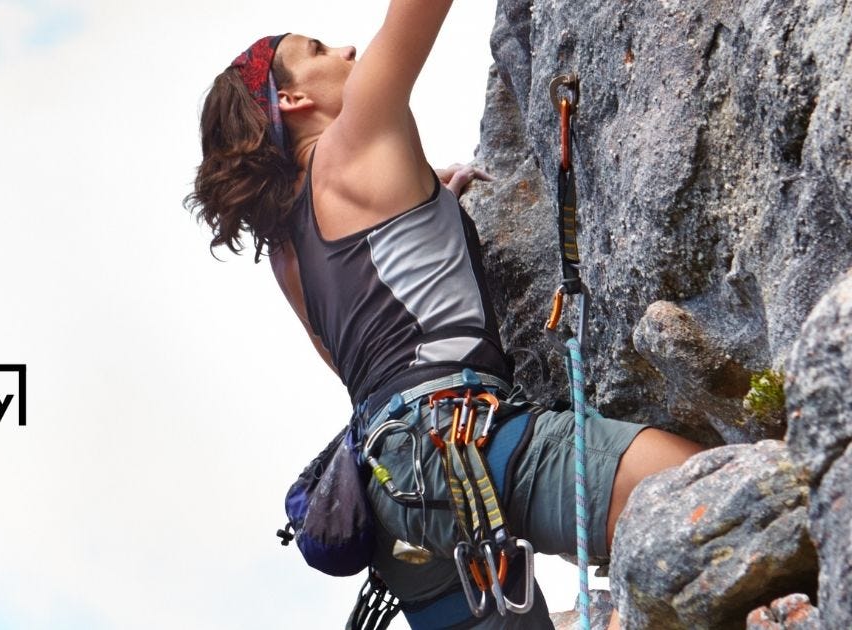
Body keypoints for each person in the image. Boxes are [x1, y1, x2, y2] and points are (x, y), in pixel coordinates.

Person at [185, 3, 704, 628]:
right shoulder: (355, 135)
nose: (347, 51)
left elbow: (362, 341)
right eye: (319, 49)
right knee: (711, 494)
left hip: (395, 505)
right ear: (291, 98)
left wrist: (430, 207)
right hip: (467, 439)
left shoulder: (288, 254)